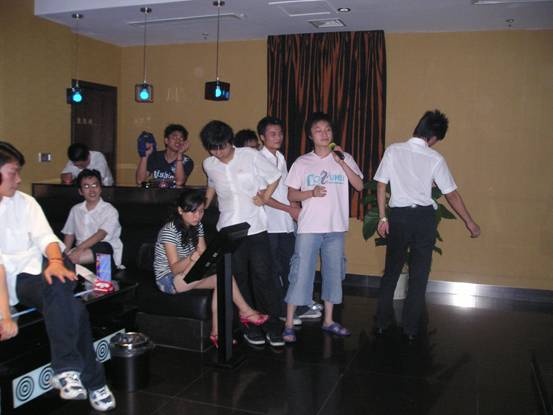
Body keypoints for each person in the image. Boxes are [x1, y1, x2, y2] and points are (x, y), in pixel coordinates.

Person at [0, 141, 116, 411]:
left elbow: (46, 237)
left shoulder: (25, 202)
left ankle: (66, 370)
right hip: (12, 282)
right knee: (74, 309)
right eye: (13, 173)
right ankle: (93, 381)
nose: (19, 179)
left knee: (60, 276)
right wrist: (5, 315)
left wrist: (54, 261)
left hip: (38, 270)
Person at [373, 109, 481, 341]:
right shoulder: (435, 158)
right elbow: (451, 195)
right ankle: (411, 329)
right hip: (423, 219)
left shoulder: (393, 150)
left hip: (399, 217)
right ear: (433, 138)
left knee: (391, 271)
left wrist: (382, 218)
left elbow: (381, 185)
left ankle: (381, 323)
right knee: (419, 274)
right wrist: (470, 222)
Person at [200, 120, 285, 347]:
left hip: (255, 226)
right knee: (238, 278)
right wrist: (204, 205)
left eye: (221, 147)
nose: (218, 152)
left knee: (263, 276)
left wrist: (265, 197)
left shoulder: (249, 155)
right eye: (212, 148)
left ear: (231, 142)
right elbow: (211, 185)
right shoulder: (209, 164)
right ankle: (251, 327)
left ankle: (273, 326)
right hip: (228, 229)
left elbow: (275, 176)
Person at [282, 112, 364, 343]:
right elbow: (291, 195)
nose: (324, 134)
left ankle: (328, 320)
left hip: (335, 227)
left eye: (327, 129)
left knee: (334, 273)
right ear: (310, 135)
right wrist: (311, 193)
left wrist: (342, 162)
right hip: (309, 227)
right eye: (318, 130)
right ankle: (289, 324)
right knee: (300, 273)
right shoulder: (302, 162)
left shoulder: (344, 157)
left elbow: (359, 185)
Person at [154, 189, 269, 347]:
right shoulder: (169, 231)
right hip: (168, 280)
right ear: (180, 210)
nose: (197, 216)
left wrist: (207, 258)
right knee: (220, 276)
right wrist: (191, 258)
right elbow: (174, 269)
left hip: (189, 273)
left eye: (201, 211)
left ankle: (217, 332)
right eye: (192, 211)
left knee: (224, 278)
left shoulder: (198, 226)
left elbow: (204, 254)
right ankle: (246, 312)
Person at [256, 116, 322, 324]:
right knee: (274, 270)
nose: (278, 137)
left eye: (280, 133)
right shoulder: (257, 160)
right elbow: (262, 197)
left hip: (284, 224)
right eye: (272, 134)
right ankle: (281, 311)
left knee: (289, 267)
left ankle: (295, 306)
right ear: (262, 137)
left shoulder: (280, 157)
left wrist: (295, 209)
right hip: (268, 225)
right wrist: (289, 209)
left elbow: (286, 190)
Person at [62, 169, 123, 269]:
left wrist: (79, 249)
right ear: (80, 191)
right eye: (86, 186)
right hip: (81, 256)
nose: (91, 190)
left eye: (95, 185)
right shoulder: (75, 210)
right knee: (61, 259)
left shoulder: (110, 210)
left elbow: (101, 234)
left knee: (103, 247)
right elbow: (69, 235)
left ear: (100, 188)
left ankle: (69, 263)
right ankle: (67, 264)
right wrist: (63, 255)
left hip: (104, 258)